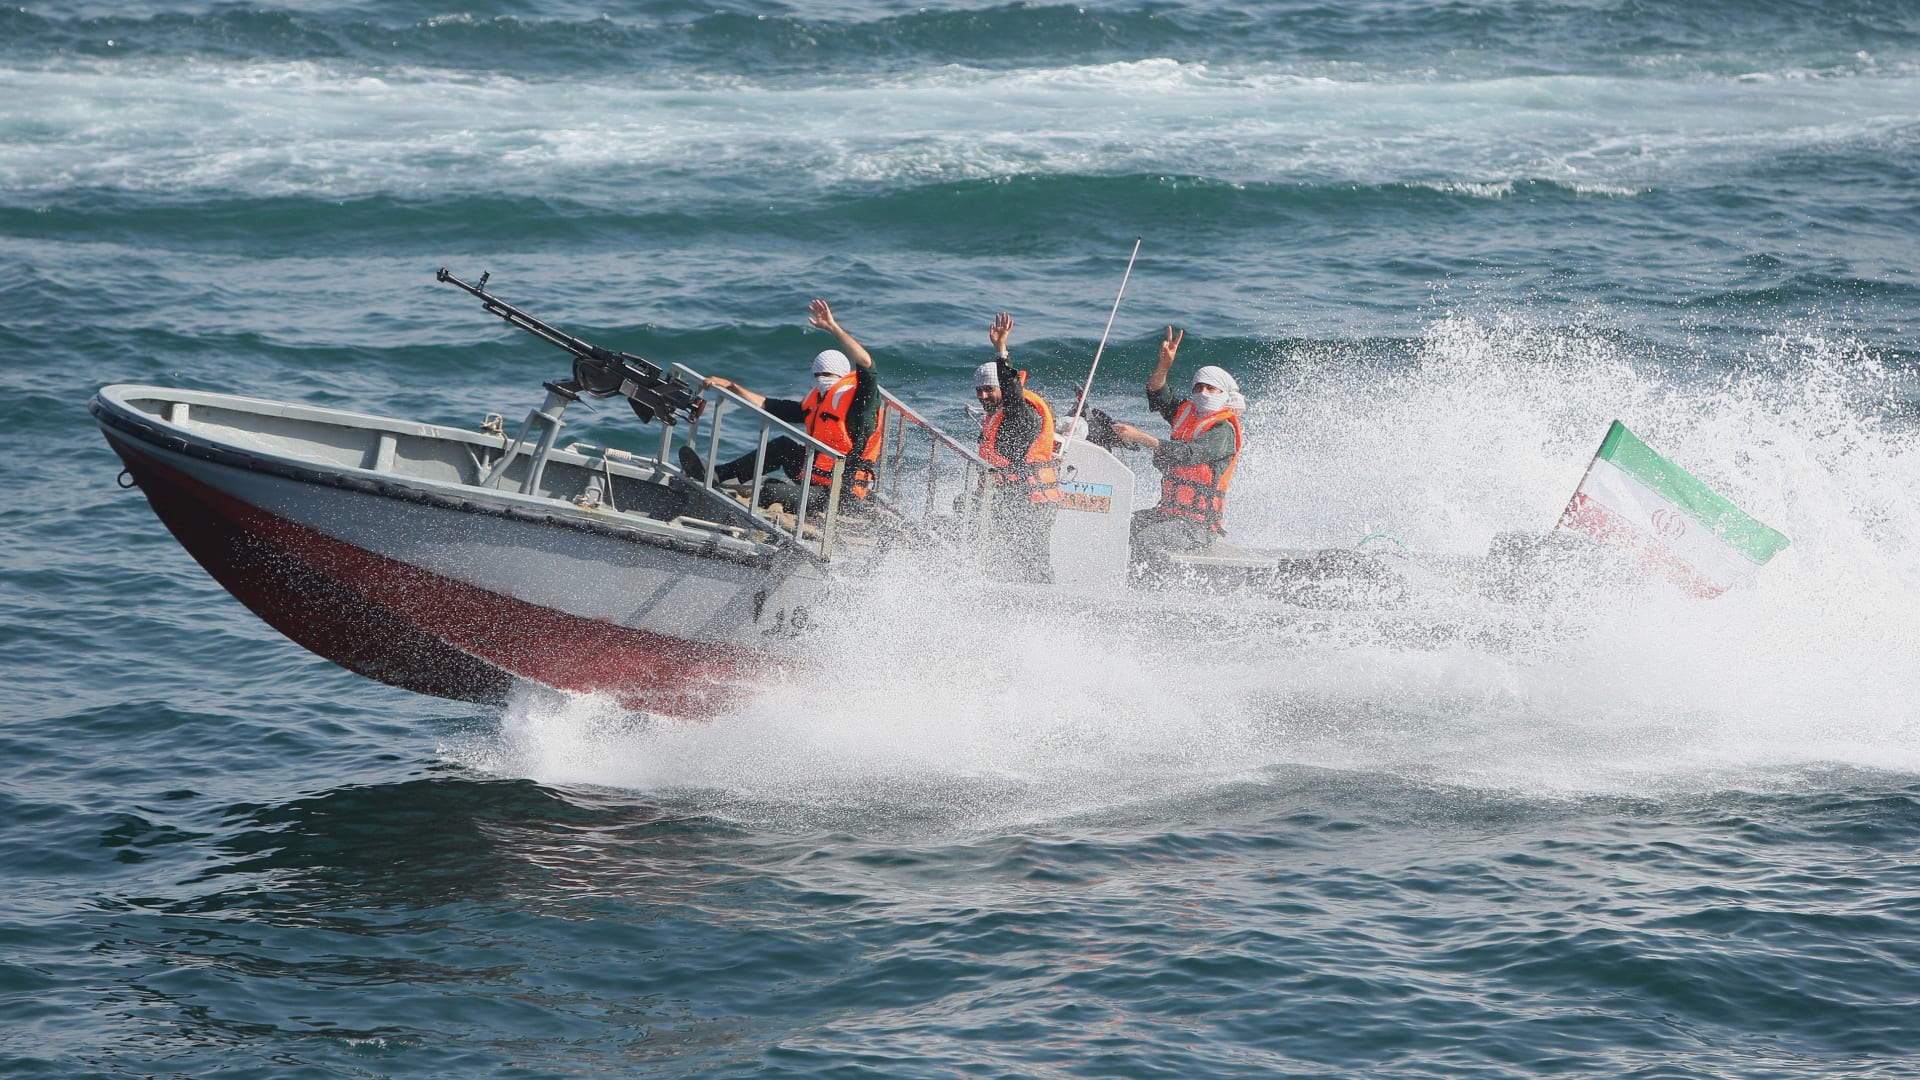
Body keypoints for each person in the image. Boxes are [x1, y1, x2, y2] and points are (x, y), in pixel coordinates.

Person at [680, 299, 883, 512]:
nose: (822, 380)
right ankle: (717, 474)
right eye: (818, 375)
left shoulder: (862, 402)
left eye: (828, 375)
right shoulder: (819, 402)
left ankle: (774, 499)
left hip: (843, 492)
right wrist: (732, 387)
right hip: (816, 476)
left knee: (769, 492)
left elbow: (867, 365)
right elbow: (770, 406)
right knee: (781, 446)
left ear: (842, 376)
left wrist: (833, 328)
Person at [1110, 326, 1245, 567]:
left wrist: (1141, 437)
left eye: (1211, 388)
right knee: (1119, 525)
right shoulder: (1186, 414)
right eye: (1198, 388)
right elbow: (1158, 395)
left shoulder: (1223, 430)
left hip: (1199, 525)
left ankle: (1149, 587)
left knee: (1148, 539)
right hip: (1169, 513)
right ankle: (1117, 577)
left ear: (1224, 394)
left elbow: (1187, 454)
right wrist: (1164, 365)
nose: (1203, 393)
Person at [974, 312, 1063, 582]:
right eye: (979, 390)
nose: (983, 396)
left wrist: (1000, 350)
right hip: (1011, 494)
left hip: (1034, 499)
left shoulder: (1019, 412)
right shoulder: (996, 415)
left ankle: (1045, 599)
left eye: (989, 389)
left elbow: (1012, 390)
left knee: (1033, 559)